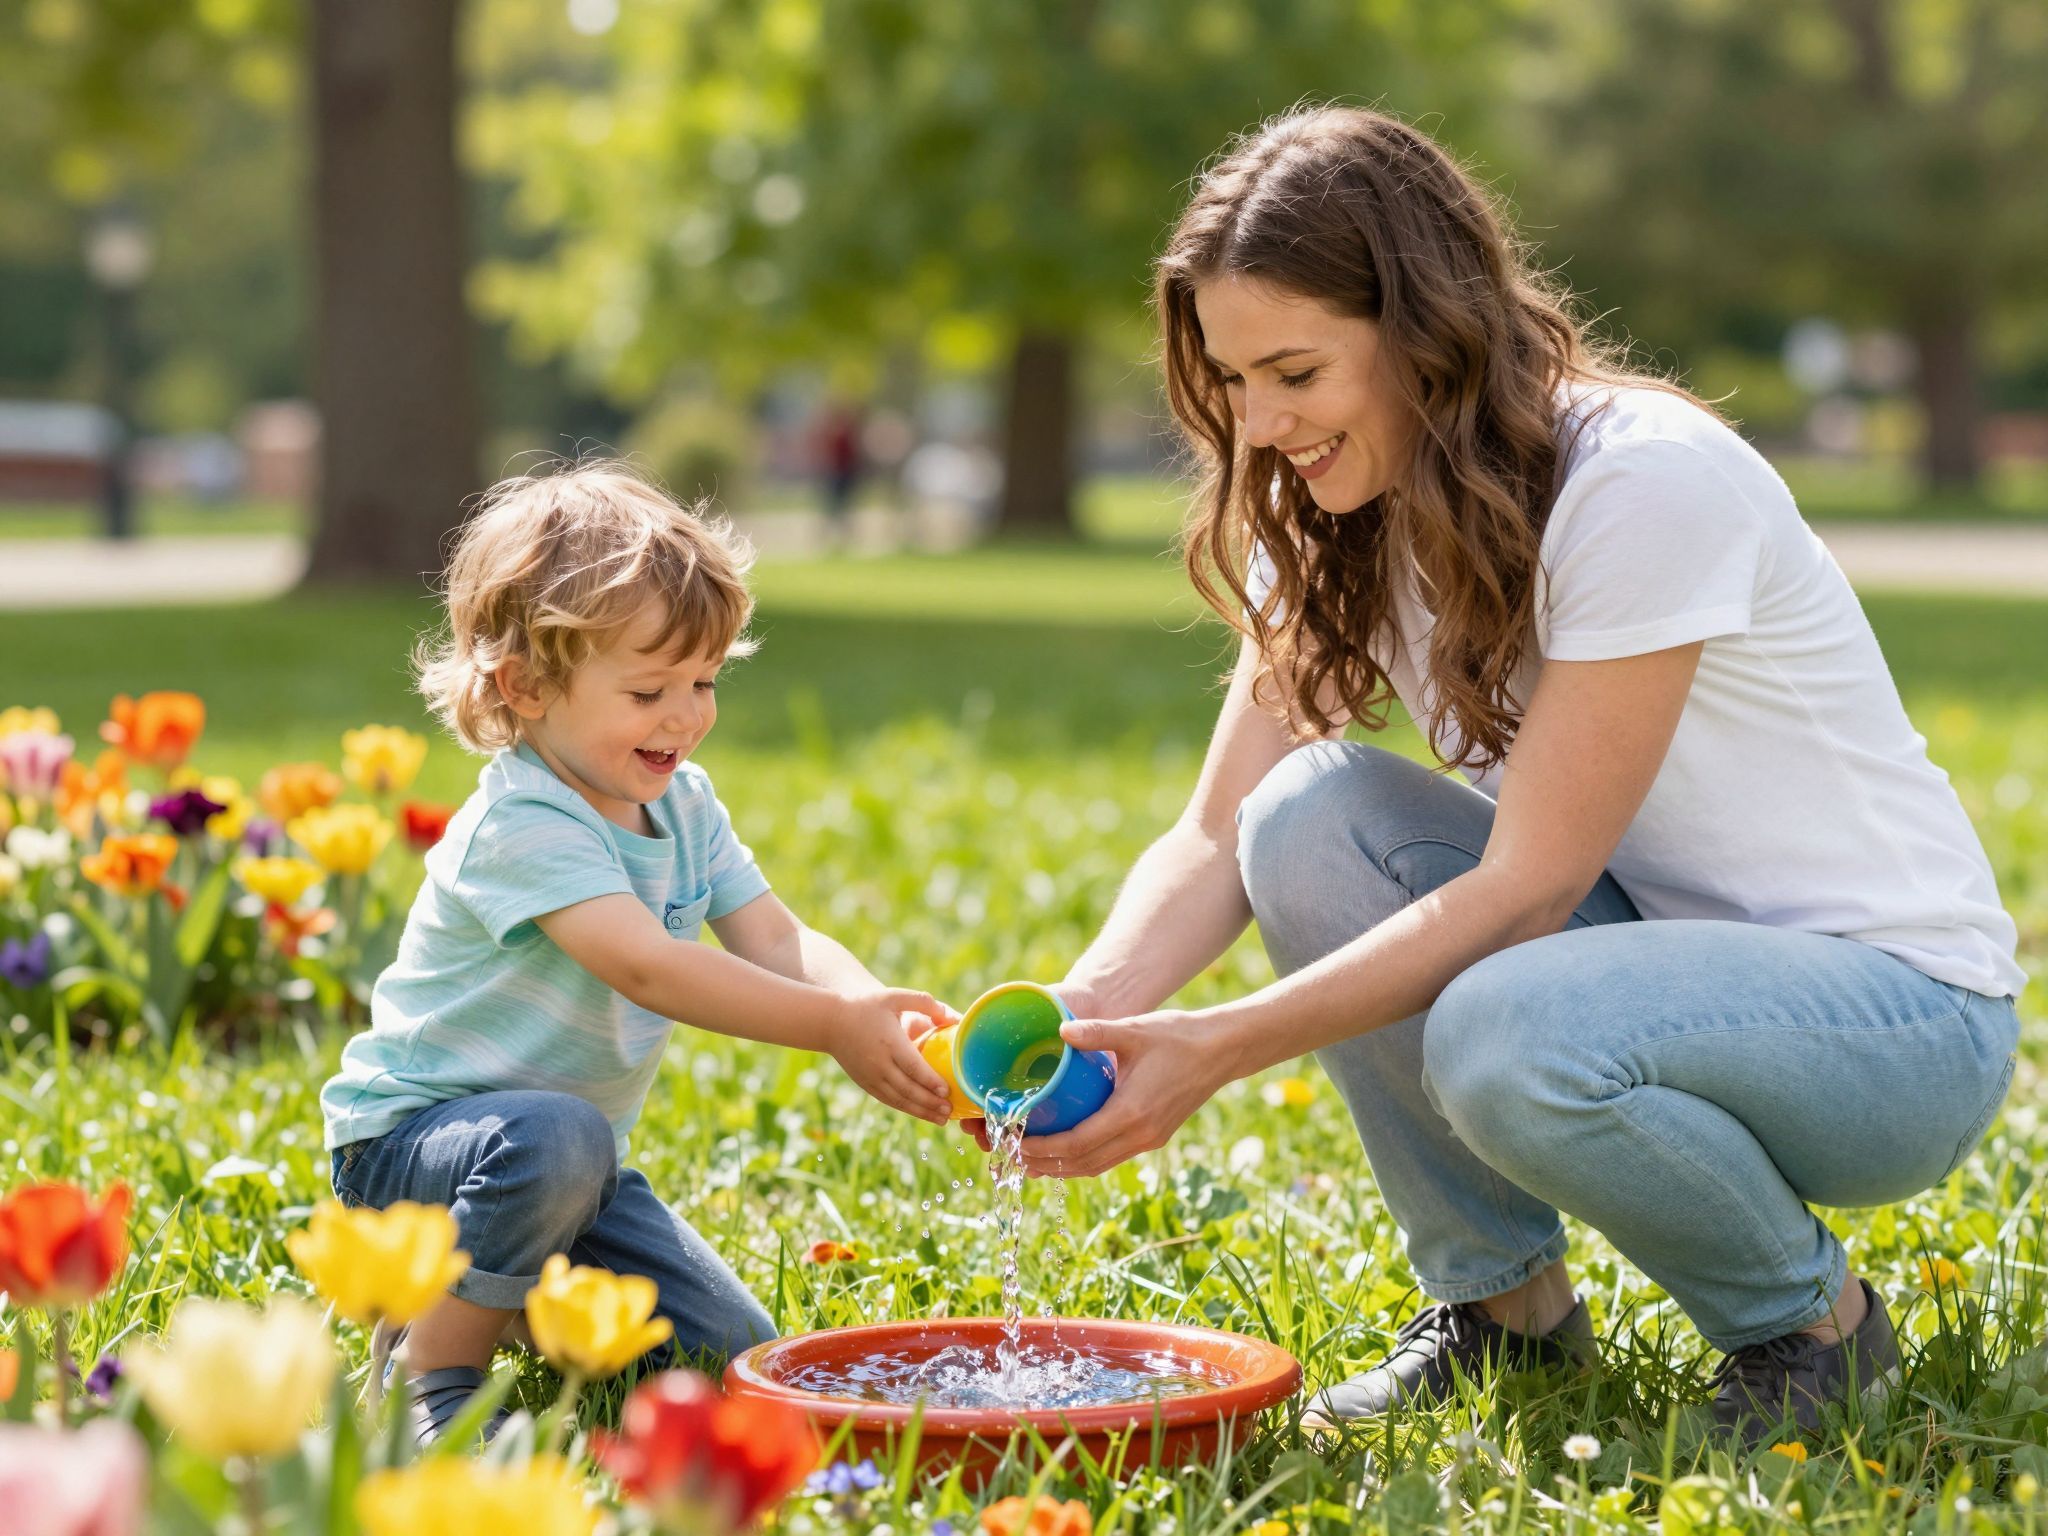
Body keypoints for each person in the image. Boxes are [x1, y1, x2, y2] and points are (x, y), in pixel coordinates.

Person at [1009, 107, 2025, 1443]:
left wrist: (1217, 1051)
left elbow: (1529, 888)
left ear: (1425, 330)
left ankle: (1816, 1335)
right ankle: (1507, 1320)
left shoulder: (1640, 484)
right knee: (1308, 815)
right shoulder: (1339, 514)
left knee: (1506, 1028)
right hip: (1640, 967)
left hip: (1895, 1023)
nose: (1258, 426)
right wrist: (1088, 1011)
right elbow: (1214, 833)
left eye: (1295, 373)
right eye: (1232, 381)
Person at [317, 461, 954, 1443]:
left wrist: (871, 1004)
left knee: (724, 1351)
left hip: (567, 1171)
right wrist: (829, 1028)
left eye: (703, 681)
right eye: (649, 688)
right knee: (558, 1137)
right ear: (523, 687)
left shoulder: (681, 805)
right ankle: (431, 1368)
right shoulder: (524, 823)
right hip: (413, 1162)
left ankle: (506, 1286)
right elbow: (647, 965)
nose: (686, 715)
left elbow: (775, 935)